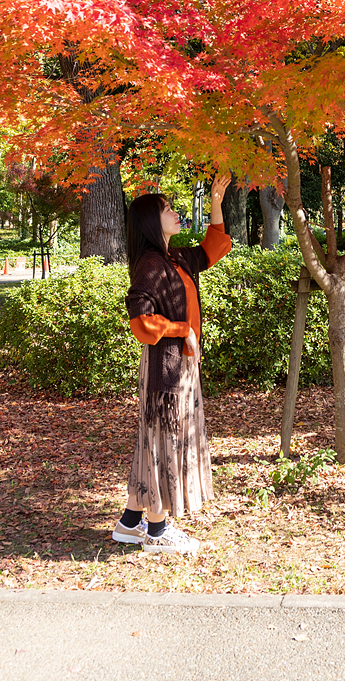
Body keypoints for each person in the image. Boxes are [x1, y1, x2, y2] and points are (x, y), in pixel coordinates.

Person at [112, 173, 232, 554]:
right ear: (151, 220)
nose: (176, 212)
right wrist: (182, 330)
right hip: (165, 369)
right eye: (168, 209)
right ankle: (158, 530)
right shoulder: (150, 264)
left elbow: (213, 248)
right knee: (164, 440)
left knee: (153, 441)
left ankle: (129, 523)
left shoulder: (175, 257)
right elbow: (140, 321)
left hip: (179, 364)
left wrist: (216, 202)